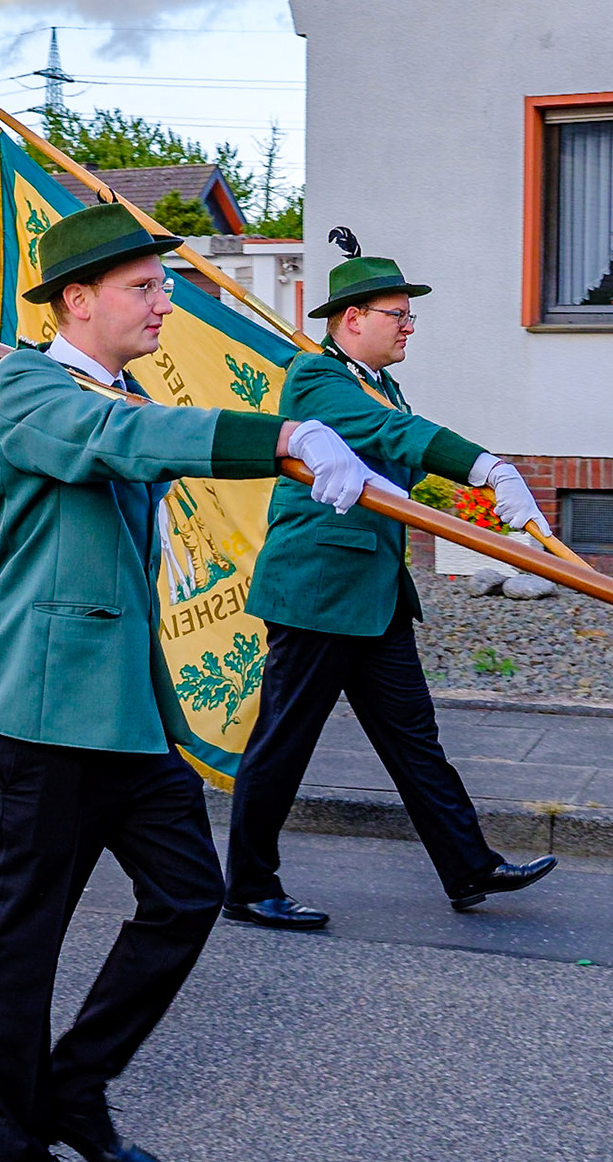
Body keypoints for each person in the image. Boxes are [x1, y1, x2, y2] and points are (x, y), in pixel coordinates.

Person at [0, 203, 391, 1162]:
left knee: (190, 893)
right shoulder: (31, 387)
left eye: (163, 285)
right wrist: (280, 431)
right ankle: (10, 1158)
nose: (164, 302)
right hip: (41, 719)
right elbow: (124, 438)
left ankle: (76, 1083)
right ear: (79, 300)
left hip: (126, 715)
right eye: (146, 288)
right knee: (30, 940)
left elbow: (136, 435)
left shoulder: (114, 388)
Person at [223, 244, 559, 931]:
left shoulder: (379, 382)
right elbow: (393, 434)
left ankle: (468, 863)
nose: (410, 327)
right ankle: (247, 887)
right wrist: (487, 468)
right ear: (352, 319)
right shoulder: (317, 380)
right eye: (397, 315)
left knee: (415, 742)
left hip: (373, 595)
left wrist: (483, 502)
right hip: (318, 593)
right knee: (282, 745)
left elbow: (393, 461)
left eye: (410, 316)